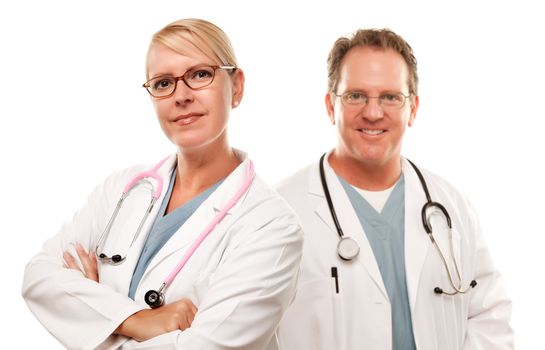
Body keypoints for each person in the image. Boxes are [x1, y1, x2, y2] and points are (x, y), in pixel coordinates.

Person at [22, 18, 303, 350]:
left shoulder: (271, 226)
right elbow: (38, 276)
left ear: (236, 86)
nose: (180, 96)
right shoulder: (124, 189)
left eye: (200, 74)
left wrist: (94, 318)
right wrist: (137, 321)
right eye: (163, 82)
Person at [276, 28, 513, 349]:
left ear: (412, 108)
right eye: (355, 95)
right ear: (331, 106)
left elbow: (489, 317)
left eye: (390, 97)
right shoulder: (281, 212)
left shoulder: (451, 206)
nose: (373, 113)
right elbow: (250, 329)